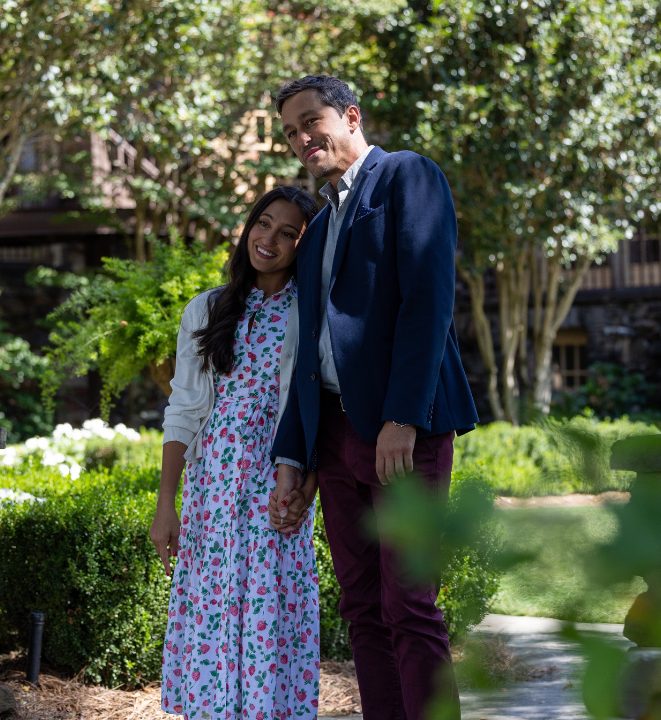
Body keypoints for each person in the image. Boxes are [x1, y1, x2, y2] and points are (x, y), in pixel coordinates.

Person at [268, 75, 480, 720]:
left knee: (409, 602)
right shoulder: (319, 215)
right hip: (332, 433)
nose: (302, 138)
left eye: (312, 121)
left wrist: (401, 417)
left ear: (350, 116)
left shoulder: (407, 177)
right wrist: (298, 456)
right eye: (289, 132)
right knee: (360, 605)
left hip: (400, 428)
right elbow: (307, 349)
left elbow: (428, 303)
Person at [150, 185, 323, 719]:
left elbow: (322, 410)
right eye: (263, 223)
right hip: (211, 496)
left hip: (278, 488)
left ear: (304, 244)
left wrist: (305, 484)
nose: (269, 239)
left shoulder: (313, 314)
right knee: (213, 617)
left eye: (288, 232)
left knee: (273, 615)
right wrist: (166, 505)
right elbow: (184, 410)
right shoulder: (206, 309)